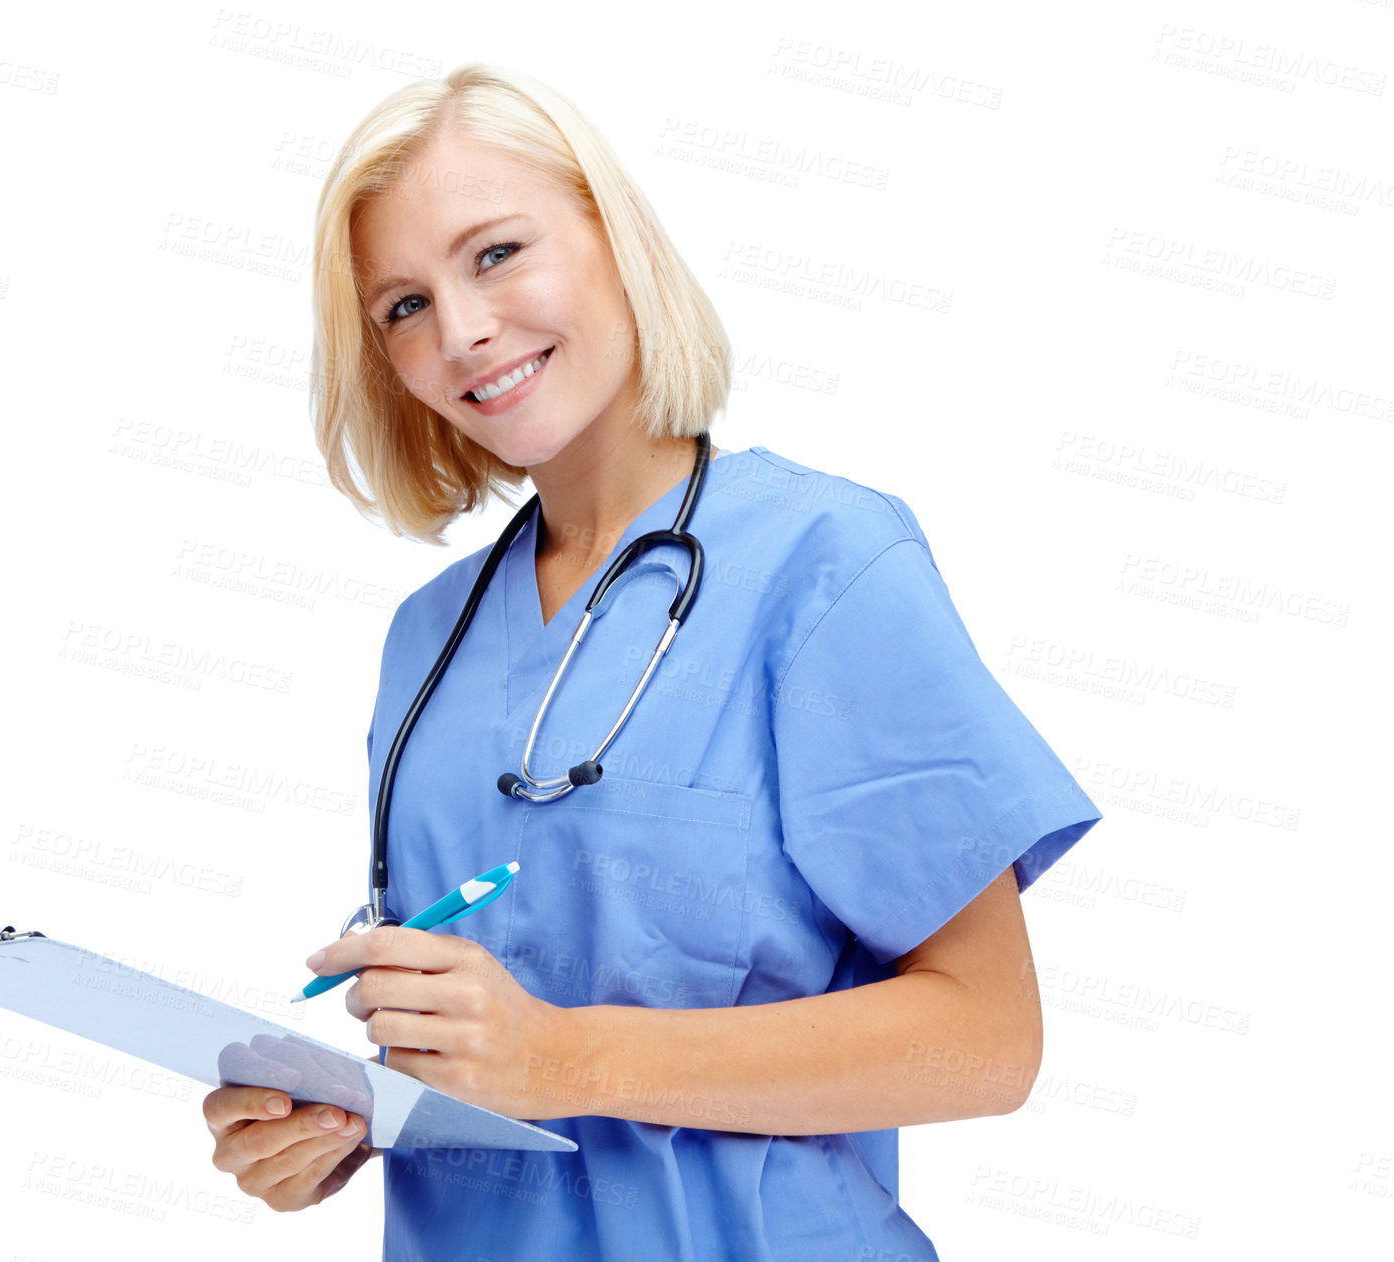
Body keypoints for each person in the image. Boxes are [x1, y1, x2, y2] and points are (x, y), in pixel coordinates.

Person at [203, 63, 1102, 1261]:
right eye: (402, 306)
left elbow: (990, 1041)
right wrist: (344, 1120)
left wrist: (564, 1054)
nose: (463, 329)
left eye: (496, 253)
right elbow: (489, 1023)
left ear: (614, 239)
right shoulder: (430, 642)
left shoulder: (828, 567)